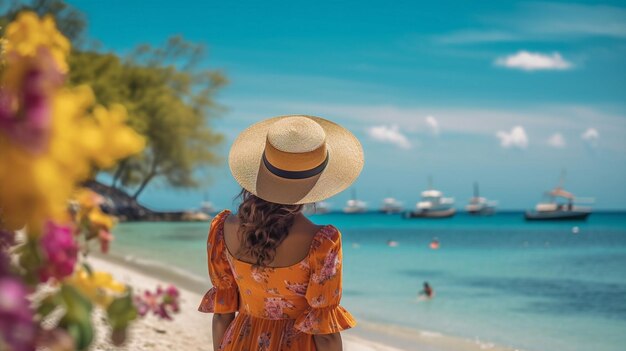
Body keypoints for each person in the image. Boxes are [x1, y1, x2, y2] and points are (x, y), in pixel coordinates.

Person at [198, 115, 364, 351]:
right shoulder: (323, 241)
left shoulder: (222, 228)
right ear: (316, 183)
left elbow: (222, 316)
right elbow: (324, 334)